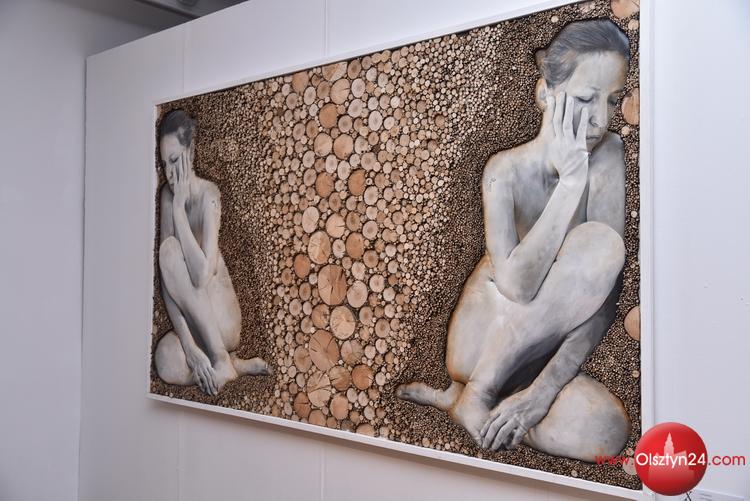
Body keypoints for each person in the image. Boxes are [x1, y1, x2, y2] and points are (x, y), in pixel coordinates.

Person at [397, 19, 632, 461]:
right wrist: (569, 186)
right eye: (586, 99)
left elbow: (603, 294)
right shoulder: (503, 171)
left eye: (613, 100)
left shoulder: (607, 154)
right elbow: (518, 287)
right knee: (600, 244)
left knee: (607, 429)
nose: (601, 119)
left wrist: (540, 395)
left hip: (538, 354)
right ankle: (478, 393)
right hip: (482, 340)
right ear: (546, 94)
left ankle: (479, 406)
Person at [154, 109, 270, 396]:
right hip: (197, 323)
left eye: (175, 161)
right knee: (166, 359)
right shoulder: (167, 196)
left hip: (223, 320)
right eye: (164, 164)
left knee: (170, 251)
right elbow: (169, 283)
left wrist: (179, 212)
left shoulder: (209, 195)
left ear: (191, 152)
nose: (170, 173)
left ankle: (220, 358)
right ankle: (232, 366)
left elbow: (201, 275)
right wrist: (189, 347)